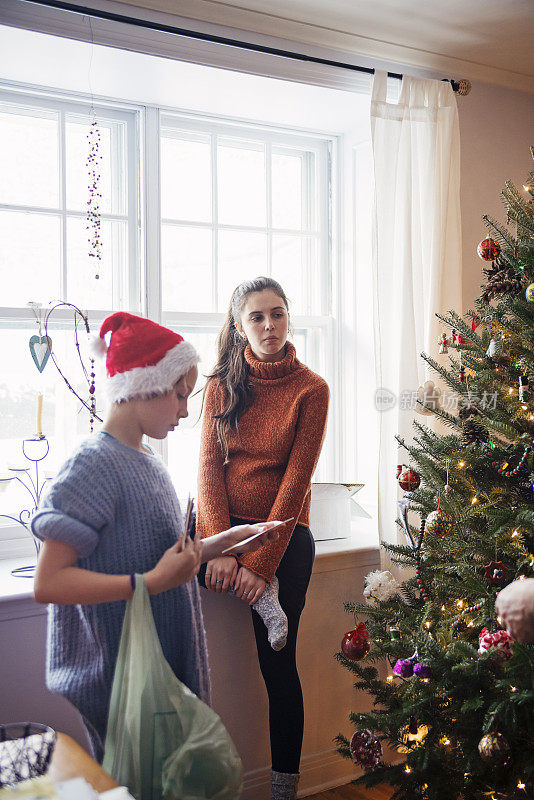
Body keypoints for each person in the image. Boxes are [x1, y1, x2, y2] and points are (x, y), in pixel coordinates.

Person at [31, 311, 281, 764]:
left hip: (162, 665)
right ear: (144, 385)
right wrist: (147, 584)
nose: (186, 411)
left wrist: (223, 543)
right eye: (180, 395)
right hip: (124, 679)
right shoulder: (92, 466)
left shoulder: (147, 461)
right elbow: (49, 583)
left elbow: (160, 560)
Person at [196, 277, 330, 800]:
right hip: (224, 528)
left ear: (288, 318)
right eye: (257, 317)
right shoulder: (222, 386)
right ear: (238, 325)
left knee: (278, 669)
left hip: (283, 533)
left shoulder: (310, 389)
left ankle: (282, 789)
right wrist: (224, 547)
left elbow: (296, 483)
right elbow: (207, 467)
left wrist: (259, 565)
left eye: (277, 314)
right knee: (175, 555)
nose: (269, 326)